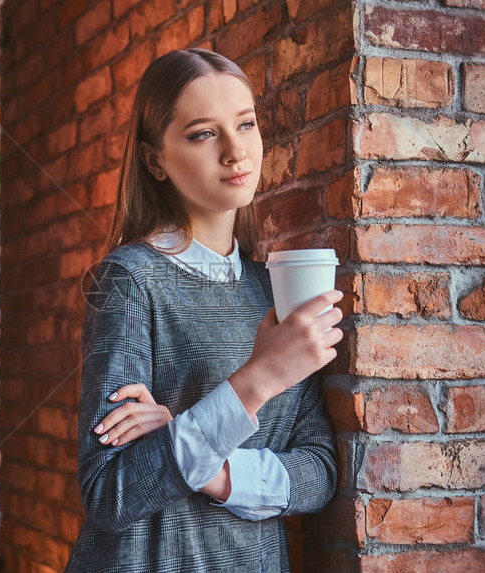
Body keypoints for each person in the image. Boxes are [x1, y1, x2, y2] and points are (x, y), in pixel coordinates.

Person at [64, 48, 343, 572]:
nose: (236, 152)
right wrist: (257, 380)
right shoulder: (129, 281)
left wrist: (200, 453)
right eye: (203, 133)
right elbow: (108, 492)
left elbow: (320, 472)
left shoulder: (273, 288)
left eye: (246, 124)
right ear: (155, 161)